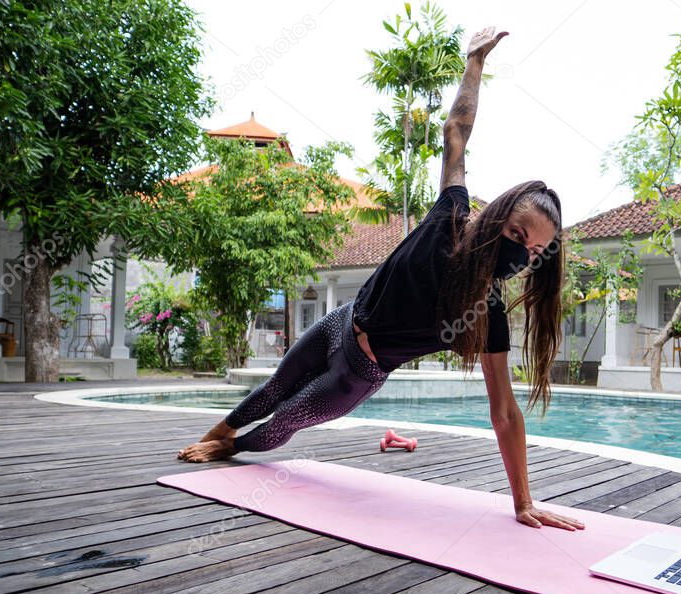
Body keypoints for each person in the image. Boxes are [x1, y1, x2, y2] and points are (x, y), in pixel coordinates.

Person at [178, 26, 584, 532]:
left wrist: (523, 502)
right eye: (519, 234)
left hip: (360, 373)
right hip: (340, 324)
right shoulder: (450, 217)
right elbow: (456, 130)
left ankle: (231, 448)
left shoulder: (489, 311)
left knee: (285, 421)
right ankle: (216, 433)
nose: (524, 254)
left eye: (536, 251)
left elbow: (503, 410)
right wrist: (475, 63)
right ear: (496, 216)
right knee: (275, 386)